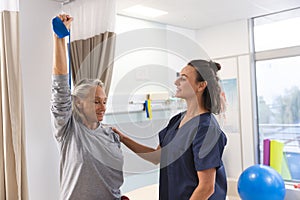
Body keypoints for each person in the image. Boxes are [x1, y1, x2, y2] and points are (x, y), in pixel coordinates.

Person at [113, 60, 227, 200]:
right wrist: (123, 138)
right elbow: (156, 156)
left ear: (201, 86)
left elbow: (206, 188)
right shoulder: (176, 121)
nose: (176, 81)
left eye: (183, 78)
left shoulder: (206, 129)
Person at [50, 14, 125, 200]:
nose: (103, 107)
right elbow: (60, 85)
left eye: (105, 101)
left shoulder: (111, 136)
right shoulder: (69, 130)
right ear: (78, 102)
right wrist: (59, 38)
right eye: (96, 101)